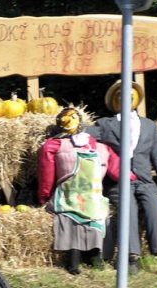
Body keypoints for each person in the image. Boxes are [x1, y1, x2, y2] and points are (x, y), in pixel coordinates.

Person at [86, 80, 157, 274]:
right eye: (121, 95)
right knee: (127, 209)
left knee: (155, 208)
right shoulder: (105, 124)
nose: (127, 98)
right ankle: (132, 256)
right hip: (119, 181)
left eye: (130, 94)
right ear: (115, 100)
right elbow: (83, 137)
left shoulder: (149, 126)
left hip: (144, 180)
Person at [37, 107, 133, 275]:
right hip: (92, 196)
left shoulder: (52, 145)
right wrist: (133, 178)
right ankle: (95, 257)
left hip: (69, 194)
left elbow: (47, 175)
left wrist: (43, 196)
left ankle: (74, 261)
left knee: (72, 219)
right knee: (95, 219)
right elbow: (118, 171)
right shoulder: (100, 147)